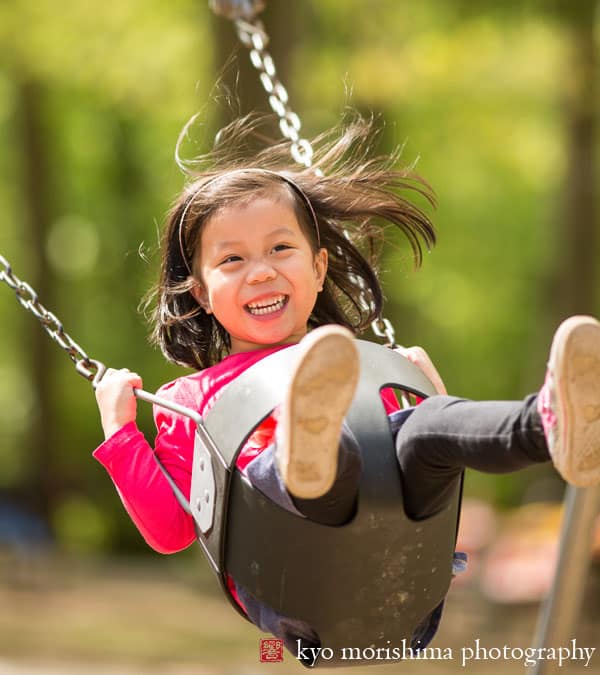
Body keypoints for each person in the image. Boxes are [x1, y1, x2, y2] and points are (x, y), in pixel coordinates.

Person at [94, 116, 600, 661]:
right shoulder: (189, 400)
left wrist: (429, 400)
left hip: (400, 587)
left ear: (318, 267)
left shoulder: (353, 368)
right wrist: (122, 434)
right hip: (296, 586)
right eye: (232, 259)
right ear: (200, 292)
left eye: (280, 248)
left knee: (418, 432)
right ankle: (307, 457)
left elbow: (416, 475)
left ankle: (550, 424)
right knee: (308, 458)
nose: (260, 272)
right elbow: (171, 531)